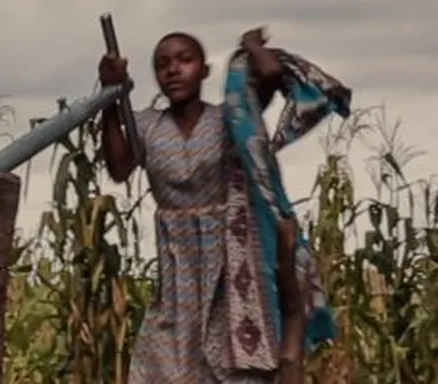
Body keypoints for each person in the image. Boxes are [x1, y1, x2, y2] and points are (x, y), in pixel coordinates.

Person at [96, 28, 350, 383]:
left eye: (185, 60)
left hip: (231, 262)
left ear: (204, 71)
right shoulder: (148, 126)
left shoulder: (229, 118)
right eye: (163, 64)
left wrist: (249, 47)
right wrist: (110, 95)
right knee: (166, 363)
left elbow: (272, 74)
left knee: (236, 363)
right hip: (179, 267)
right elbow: (119, 168)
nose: (173, 70)